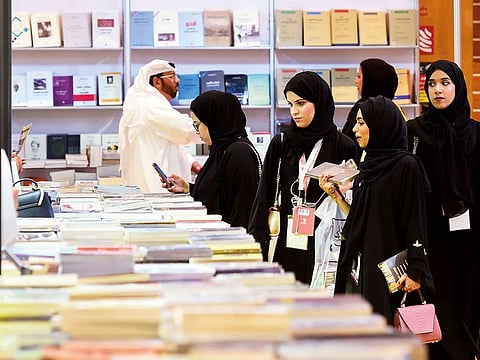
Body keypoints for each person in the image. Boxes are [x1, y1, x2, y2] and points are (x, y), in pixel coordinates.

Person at [320, 95, 434, 325]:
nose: (354, 129)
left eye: (362, 122)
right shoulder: (369, 165)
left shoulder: (406, 166)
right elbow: (361, 218)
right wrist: (337, 197)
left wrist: (415, 271)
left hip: (394, 271)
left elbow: (416, 221)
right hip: (367, 267)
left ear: (382, 125)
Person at [248, 71, 357, 284]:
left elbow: (351, 199)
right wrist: (257, 239)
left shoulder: (343, 146)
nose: (294, 112)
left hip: (326, 244)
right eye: (290, 105)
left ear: (319, 102)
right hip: (287, 239)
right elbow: (265, 194)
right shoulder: (282, 143)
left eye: (301, 103)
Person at [406, 60, 480, 360]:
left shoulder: (475, 132)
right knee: (436, 305)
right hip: (430, 236)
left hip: (471, 237)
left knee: (469, 303)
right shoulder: (414, 132)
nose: (438, 90)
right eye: (432, 83)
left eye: (445, 83)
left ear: (458, 86)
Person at [161, 90, 262, 229]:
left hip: (232, 242)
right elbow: (218, 194)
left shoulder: (239, 154)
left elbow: (243, 212)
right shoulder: (221, 150)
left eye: (198, 125)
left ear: (213, 121)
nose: (197, 131)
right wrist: (188, 188)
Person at [118, 59, 202, 193]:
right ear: (157, 82)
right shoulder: (150, 105)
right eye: (172, 76)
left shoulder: (142, 103)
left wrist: (192, 163)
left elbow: (165, 143)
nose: (178, 80)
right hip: (157, 190)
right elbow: (189, 130)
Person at [342, 58, 398, 163]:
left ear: (371, 80)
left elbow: (349, 145)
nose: (355, 81)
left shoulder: (366, 108)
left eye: (359, 76)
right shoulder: (393, 109)